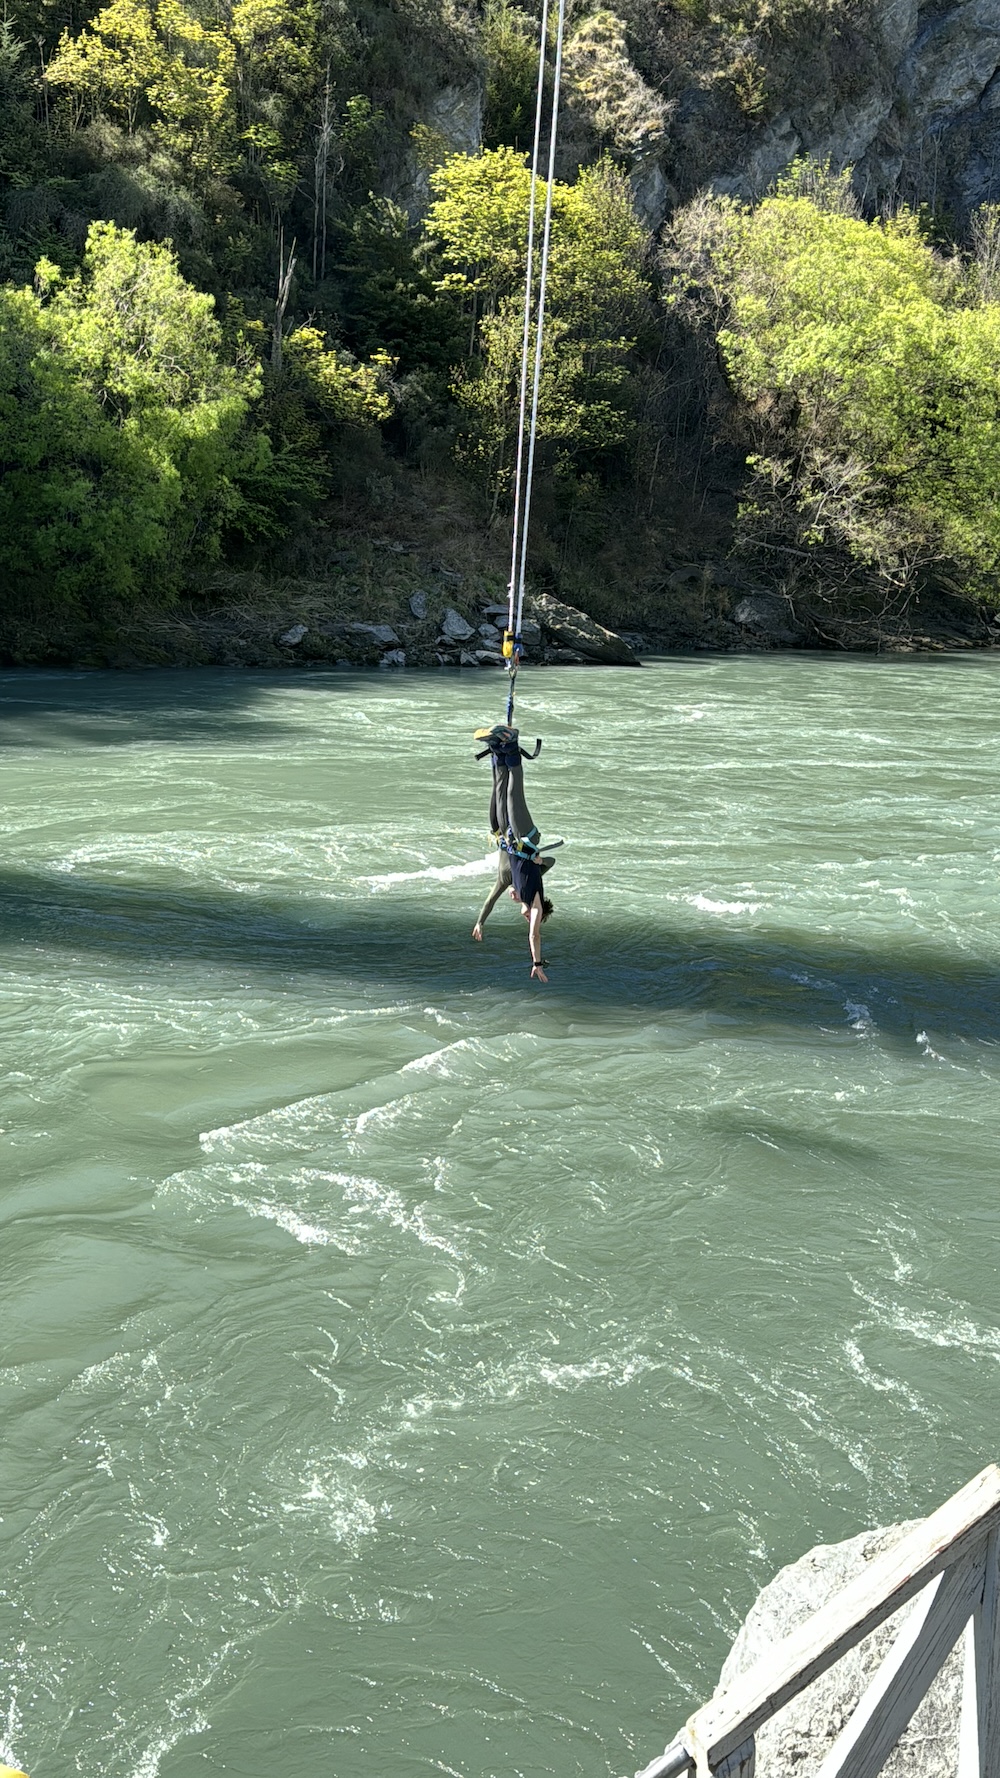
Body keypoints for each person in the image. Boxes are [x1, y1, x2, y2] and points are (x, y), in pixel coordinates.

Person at [472, 722, 554, 982]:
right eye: (530, 919)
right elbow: (534, 935)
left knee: (498, 791)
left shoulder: (510, 882)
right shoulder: (536, 903)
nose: (528, 920)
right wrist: (537, 963)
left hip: (505, 836)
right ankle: (513, 744)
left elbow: (491, 900)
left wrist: (480, 922)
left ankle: (499, 750)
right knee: (511, 794)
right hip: (525, 836)